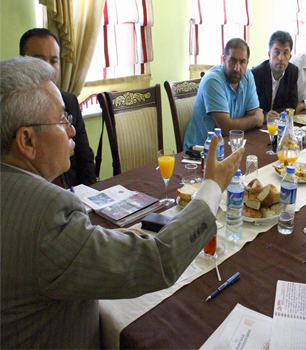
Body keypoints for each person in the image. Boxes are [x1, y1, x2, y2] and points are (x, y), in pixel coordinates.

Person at [0, 56, 245, 349]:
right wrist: (212, 187)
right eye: (62, 119)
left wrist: (93, 241)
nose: (73, 129)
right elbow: (158, 261)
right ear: (26, 141)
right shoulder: (48, 214)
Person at [20, 28, 96, 188]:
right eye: (38, 59)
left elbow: (85, 159)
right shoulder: (12, 110)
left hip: (73, 195)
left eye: (53, 61)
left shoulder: (70, 102)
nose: (48, 68)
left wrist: (91, 197)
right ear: (22, 62)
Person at [183, 38, 264, 150]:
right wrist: (254, 120)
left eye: (242, 62)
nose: (237, 68)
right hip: (200, 151)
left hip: (229, 146)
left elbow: (253, 112)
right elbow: (226, 129)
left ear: (247, 63)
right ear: (223, 59)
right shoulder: (213, 81)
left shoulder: (248, 75)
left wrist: (249, 119)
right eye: (232, 60)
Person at [251, 31, 298, 119]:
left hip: (280, 122)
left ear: (290, 57)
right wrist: (265, 115)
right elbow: (251, 108)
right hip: (259, 123)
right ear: (269, 54)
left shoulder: (293, 72)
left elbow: (292, 105)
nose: (281, 58)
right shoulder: (256, 74)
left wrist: (278, 115)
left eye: (285, 53)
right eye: (277, 52)